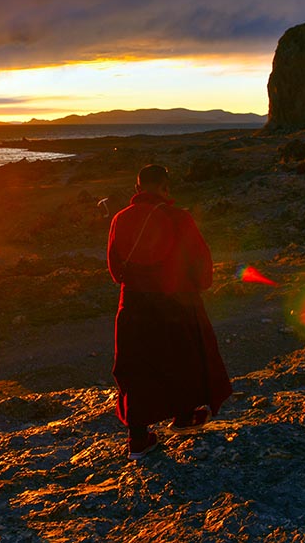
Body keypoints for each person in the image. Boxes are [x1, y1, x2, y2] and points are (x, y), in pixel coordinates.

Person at [107, 164, 232, 459]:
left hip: (134, 304)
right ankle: (185, 416)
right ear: (165, 188)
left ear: (137, 189)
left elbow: (115, 269)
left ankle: (138, 439)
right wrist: (201, 285)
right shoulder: (179, 218)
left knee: (137, 368)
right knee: (185, 358)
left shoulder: (120, 219)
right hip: (178, 301)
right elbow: (199, 258)